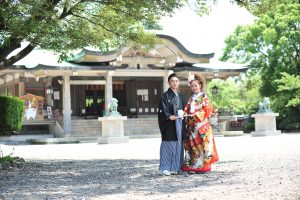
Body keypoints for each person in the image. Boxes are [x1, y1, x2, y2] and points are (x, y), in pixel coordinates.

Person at [182, 74, 219, 173]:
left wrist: (195, 115)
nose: (194, 88)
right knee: (193, 146)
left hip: (202, 126)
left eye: (196, 85)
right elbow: (186, 110)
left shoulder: (203, 97)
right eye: (192, 86)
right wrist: (184, 114)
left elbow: (208, 109)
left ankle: (204, 166)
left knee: (203, 146)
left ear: (200, 85)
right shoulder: (191, 99)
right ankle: (194, 166)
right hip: (192, 127)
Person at [158, 73, 185, 176]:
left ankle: (177, 167)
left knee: (178, 145)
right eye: (172, 81)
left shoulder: (180, 96)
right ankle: (165, 167)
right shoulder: (165, 96)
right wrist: (169, 116)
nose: (175, 83)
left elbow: (184, 108)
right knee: (168, 145)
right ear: (169, 82)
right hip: (169, 124)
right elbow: (162, 110)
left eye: (176, 81)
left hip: (179, 123)